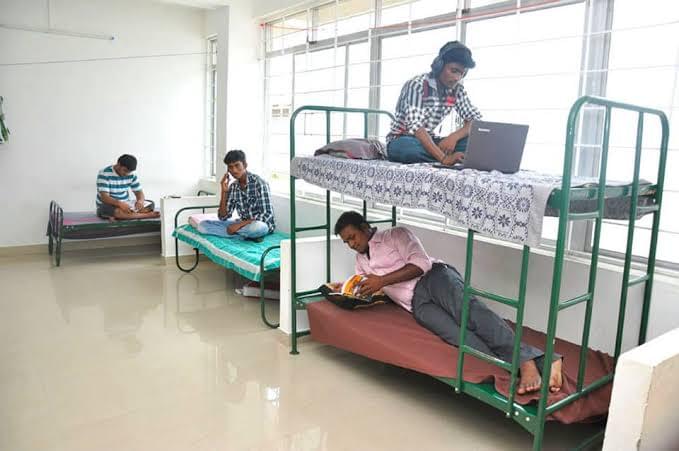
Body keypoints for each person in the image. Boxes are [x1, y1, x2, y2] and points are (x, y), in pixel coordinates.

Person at [333, 211, 562, 395]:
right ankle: (530, 364)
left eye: (352, 237)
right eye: (346, 242)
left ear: (365, 227)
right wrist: (346, 289)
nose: (351, 244)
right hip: (416, 304)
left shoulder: (396, 235)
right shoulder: (360, 260)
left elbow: (421, 264)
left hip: (433, 278)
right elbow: (365, 284)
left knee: (471, 314)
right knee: (459, 336)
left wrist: (381, 281)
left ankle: (528, 361)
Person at [386, 41, 482, 166]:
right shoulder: (417, 85)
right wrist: (444, 158)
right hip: (404, 139)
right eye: (454, 71)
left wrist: (454, 137)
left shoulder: (457, 90)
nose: (457, 78)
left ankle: (437, 154)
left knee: (476, 142)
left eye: (462, 73)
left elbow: (475, 120)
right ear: (439, 66)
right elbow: (417, 127)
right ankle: (443, 156)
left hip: (430, 141)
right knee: (407, 149)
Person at [197, 150, 275, 241]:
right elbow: (223, 217)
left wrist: (239, 225)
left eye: (237, 165)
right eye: (230, 167)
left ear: (245, 165)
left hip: (259, 225)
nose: (234, 170)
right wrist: (224, 192)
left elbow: (266, 215)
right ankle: (245, 236)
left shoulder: (260, 183)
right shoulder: (233, 187)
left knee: (257, 228)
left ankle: (244, 234)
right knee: (202, 226)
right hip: (243, 225)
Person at [96, 154, 159, 220]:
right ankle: (146, 215)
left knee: (150, 204)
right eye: (125, 170)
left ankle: (125, 215)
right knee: (106, 209)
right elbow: (105, 198)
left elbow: (139, 192)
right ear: (118, 164)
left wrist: (140, 201)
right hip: (108, 205)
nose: (126, 174)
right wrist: (120, 204)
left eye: (129, 172)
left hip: (126, 204)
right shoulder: (104, 173)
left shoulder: (131, 174)